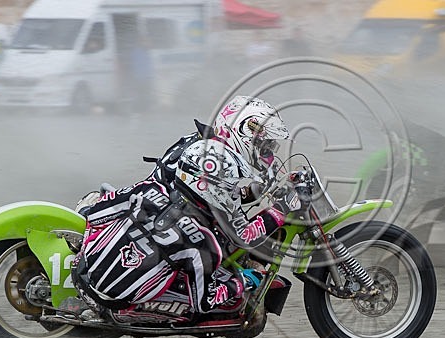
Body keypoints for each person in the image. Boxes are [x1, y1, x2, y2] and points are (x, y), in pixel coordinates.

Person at [71, 96, 306, 322]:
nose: (269, 152)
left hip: (160, 214)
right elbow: (239, 231)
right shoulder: (204, 243)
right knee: (235, 278)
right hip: (173, 243)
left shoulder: (195, 147)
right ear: (246, 134)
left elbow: (105, 207)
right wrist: (280, 211)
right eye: (266, 145)